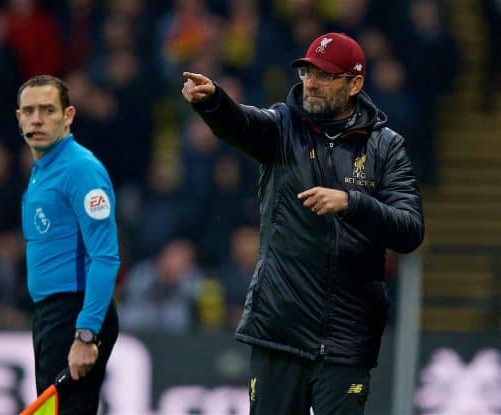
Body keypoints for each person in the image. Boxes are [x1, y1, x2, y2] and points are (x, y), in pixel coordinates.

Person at [182, 32, 424, 415]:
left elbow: (410, 230)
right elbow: (243, 123)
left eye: (325, 75)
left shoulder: (385, 146)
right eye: (307, 72)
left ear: (354, 84)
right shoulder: (282, 126)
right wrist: (214, 103)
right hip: (280, 331)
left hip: (348, 338)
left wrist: (352, 203)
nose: (310, 82)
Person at [17, 74, 120, 414]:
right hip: (52, 316)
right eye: (29, 111)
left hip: (75, 314)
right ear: (19, 118)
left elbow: (105, 257)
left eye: (47, 110)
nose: (36, 119)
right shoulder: (43, 170)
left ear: (69, 115)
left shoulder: (80, 170)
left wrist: (86, 334)